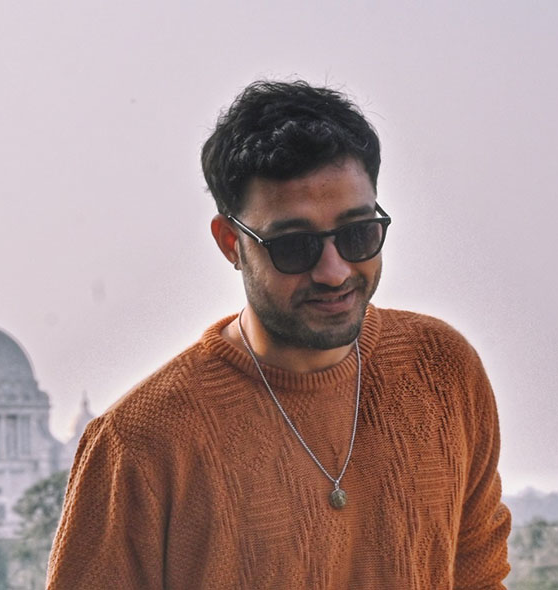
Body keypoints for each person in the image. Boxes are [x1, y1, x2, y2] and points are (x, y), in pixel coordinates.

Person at [46, 80, 511, 589]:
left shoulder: (442, 369)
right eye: (295, 246)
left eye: (358, 234)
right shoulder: (141, 443)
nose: (334, 271)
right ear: (231, 244)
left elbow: (480, 577)